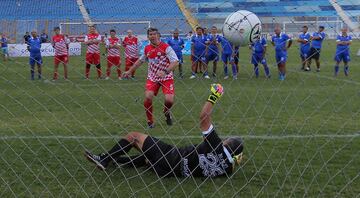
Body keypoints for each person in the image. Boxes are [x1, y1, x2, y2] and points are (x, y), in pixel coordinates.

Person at [84, 84, 244, 178]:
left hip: (171, 156)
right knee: (147, 157)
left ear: (227, 144)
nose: (224, 139)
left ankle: (104, 158)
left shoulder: (217, 146)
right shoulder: (228, 170)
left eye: (227, 139)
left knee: (134, 137)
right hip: (169, 172)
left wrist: (214, 95)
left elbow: (203, 118)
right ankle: (115, 161)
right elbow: (229, 158)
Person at [123, 28, 179, 128]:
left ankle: (166, 112)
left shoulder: (166, 47)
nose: (152, 36)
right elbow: (140, 61)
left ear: (158, 35)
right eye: (150, 34)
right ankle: (150, 121)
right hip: (152, 78)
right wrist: (129, 71)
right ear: (148, 37)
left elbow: (175, 62)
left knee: (169, 100)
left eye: (154, 34)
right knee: (148, 96)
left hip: (166, 77)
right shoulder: (147, 48)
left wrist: (165, 71)